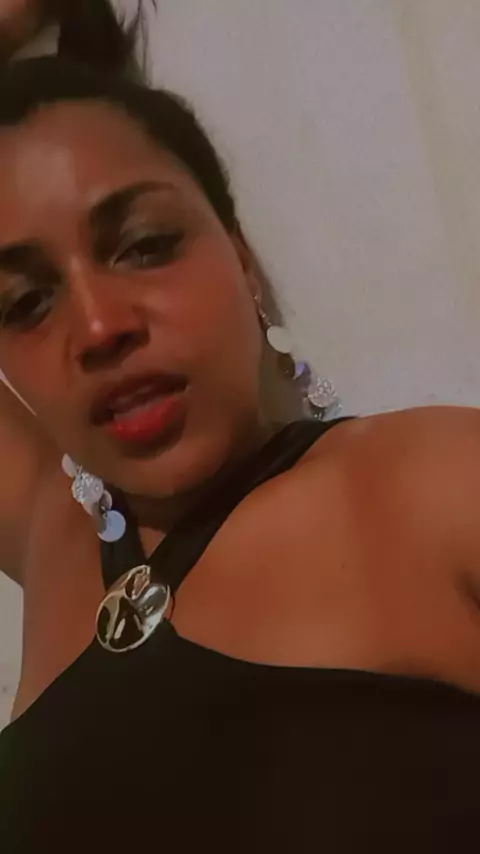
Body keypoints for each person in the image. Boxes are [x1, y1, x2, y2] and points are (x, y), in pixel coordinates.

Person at [0, 2, 479, 851]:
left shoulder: (437, 483)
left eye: (145, 245)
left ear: (242, 258)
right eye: (26, 302)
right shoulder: (51, 533)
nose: (100, 326)